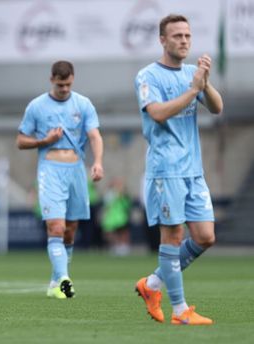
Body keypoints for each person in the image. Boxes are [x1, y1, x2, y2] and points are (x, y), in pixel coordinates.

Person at [134, 14, 223, 325]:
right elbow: (157, 113)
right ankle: (180, 311)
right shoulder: (148, 76)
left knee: (205, 236)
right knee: (172, 237)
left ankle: (153, 284)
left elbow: (216, 107)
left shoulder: (191, 74)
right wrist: (191, 90)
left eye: (187, 36)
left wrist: (205, 84)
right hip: (165, 169)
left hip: (193, 170)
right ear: (162, 40)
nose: (184, 41)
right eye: (177, 36)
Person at [16, 61, 104, 299]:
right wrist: (44, 141)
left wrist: (97, 162)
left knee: (70, 230)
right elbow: (21, 140)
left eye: (67, 84)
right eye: (59, 84)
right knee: (56, 226)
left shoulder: (83, 104)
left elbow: (94, 135)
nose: (64, 88)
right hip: (50, 170)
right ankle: (65, 279)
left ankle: (56, 281)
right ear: (51, 79)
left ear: (72, 79)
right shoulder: (37, 106)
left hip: (76, 169)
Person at [100, 177, 132, 256]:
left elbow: (127, 204)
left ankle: (124, 247)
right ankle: (116, 246)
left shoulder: (123, 194)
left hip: (121, 216)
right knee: (113, 233)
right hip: (113, 217)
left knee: (122, 232)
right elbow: (107, 204)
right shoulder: (111, 194)